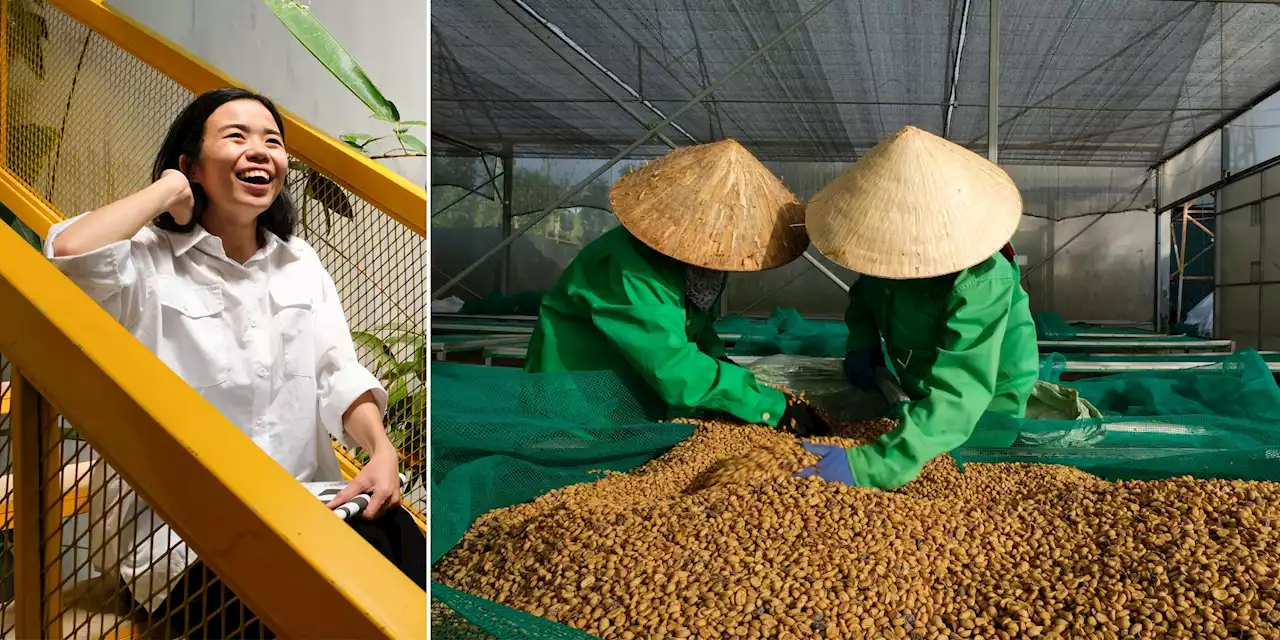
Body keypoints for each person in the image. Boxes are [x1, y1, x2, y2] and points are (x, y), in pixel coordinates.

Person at [44, 87, 425, 638]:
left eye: (273, 141)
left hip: (304, 508)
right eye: (236, 137)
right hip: (184, 542)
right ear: (192, 164)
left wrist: (382, 449)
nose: (260, 151)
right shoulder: (146, 261)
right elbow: (67, 256)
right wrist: (169, 189)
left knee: (398, 538)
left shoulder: (300, 263)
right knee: (323, 592)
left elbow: (336, 373)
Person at [524, 140, 830, 436]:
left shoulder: (698, 268)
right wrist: (769, 405)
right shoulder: (630, 266)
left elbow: (696, 327)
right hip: (575, 401)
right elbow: (668, 364)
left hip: (626, 398)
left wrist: (719, 362)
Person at [796, 126, 1038, 490]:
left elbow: (963, 392)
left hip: (986, 402)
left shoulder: (982, 281)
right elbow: (865, 296)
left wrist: (877, 464)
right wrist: (863, 346)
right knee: (928, 428)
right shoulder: (883, 251)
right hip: (922, 383)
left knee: (967, 468)